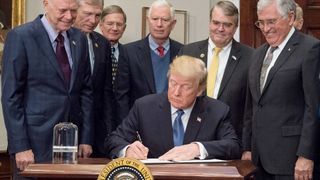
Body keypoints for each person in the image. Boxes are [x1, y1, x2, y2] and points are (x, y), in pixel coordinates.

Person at [1, 0, 93, 178]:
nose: (69, 16)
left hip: (72, 147)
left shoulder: (79, 38)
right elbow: (11, 97)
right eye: (63, 10)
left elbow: (85, 92)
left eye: (73, 10)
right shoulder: (21, 37)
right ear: (46, 4)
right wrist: (20, 146)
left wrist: (86, 139)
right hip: (33, 146)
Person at [106, 55, 241, 160]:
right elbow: (113, 140)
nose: (176, 92)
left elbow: (233, 146)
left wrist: (197, 149)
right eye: (173, 83)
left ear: (199, 90)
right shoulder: (144, 107)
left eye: (185, 87)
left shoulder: (216, 111)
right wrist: (127, 149)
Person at [242, 0, 320, 179]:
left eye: (271, 21)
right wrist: (247, 147)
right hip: (258, 159)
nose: (265, 28)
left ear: (291, 18)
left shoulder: (310, 49)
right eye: (261, 22)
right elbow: (251, 106)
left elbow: (313, 108)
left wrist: (306, 155)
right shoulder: (258, 54)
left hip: (291, 160)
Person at [178, 0, 253, 140]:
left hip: (231, 139)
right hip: (190, 136)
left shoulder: (250, 57)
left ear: (235, 27)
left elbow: (251, 109)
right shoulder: (188, 51)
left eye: (227, 24)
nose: (220, 29)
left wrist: (247, 146)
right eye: (216, 23)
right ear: (209, 23)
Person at [115, 0, 182, 125]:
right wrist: (128, 127)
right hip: (139, 123)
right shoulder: (129, 52)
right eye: (155, 19)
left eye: (165, 20)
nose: (159, 24)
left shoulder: (183, 51)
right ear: (148, 20)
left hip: (174, 123)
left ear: (173, 24)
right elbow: (122, 98)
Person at [73, 0, 114, 158]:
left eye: (97, 15)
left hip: (96, 132)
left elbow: (106, 93)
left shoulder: (102, 43)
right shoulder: (61, 42)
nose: (93, 20)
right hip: (64, 128)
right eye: (87, 14)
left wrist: (110, 132)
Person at [99, 5, 127, 88]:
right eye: (110, 24)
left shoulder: (129, 53)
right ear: (101, 26)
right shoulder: (90, 51)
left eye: (119, 24)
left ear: (124, 28)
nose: (115, 28)